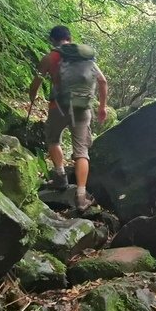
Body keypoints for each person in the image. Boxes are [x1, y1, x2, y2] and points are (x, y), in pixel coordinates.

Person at [28, 25, 108, 210]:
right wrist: (102, 107)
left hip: (58, 107)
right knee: (81, 152)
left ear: (52, 40)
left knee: (53, 140)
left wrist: (32, 97)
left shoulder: (50, 58)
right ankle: (81, 197)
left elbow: (35, 83)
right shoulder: (84, 58)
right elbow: (103, 81)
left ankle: (60, 177)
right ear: (69, 39)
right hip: (82, 108)